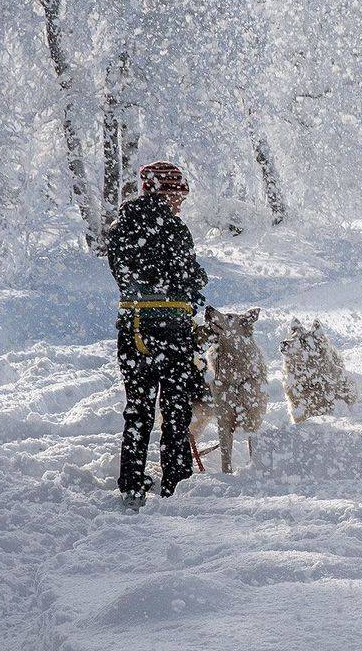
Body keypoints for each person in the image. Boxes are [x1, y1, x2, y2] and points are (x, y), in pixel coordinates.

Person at [107, 160, 209, 509]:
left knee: (138, 408)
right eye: (179, 195)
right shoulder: (174, 229)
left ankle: (132, 481)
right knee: (175, 407)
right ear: (165, 192)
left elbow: (123, 274)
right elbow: (190, 279)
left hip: (133, 329)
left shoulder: (121, 227)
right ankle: (175, 479)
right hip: (171, 330)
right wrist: (195, 284)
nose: (181, 203)